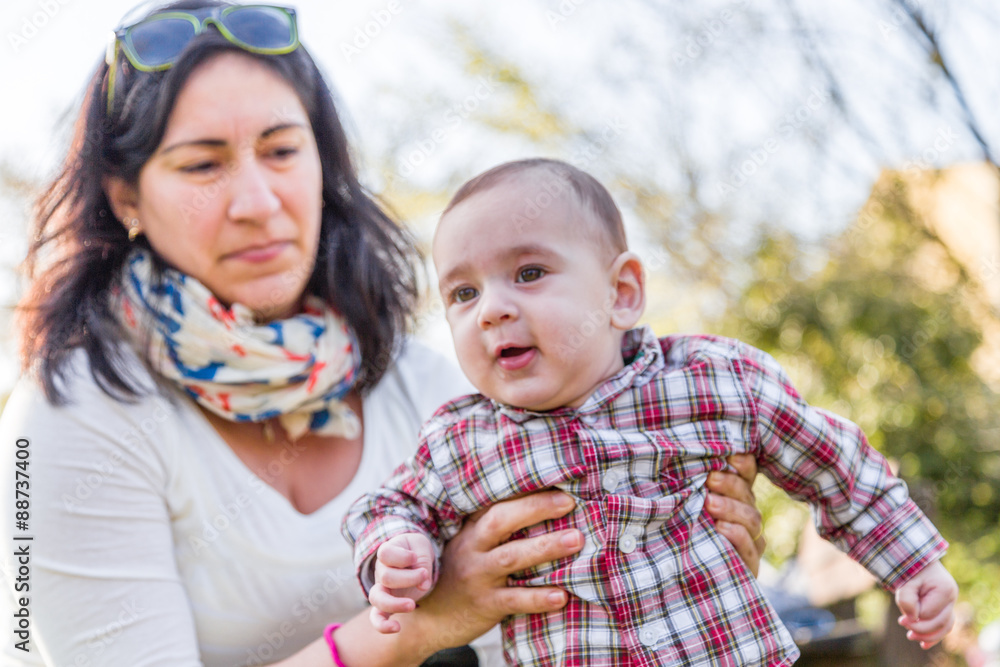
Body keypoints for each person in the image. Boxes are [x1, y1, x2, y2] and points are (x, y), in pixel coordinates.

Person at [0, 4, 768, 666]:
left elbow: (551, 625)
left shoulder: (424, 384)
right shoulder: (70, 414)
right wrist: (414, 627)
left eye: (280, 150)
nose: (259, 201)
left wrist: (682, 566)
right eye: (203, 164)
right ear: (126, 194)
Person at [343, 158, 959, 666]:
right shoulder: (463, 437)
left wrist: (913, 563)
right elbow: (389, 504)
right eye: (464, 293)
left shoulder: (709, 380)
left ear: (622, 293)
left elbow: (834, 463)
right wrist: (397, 548)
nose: (491, 309)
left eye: (528, 273)